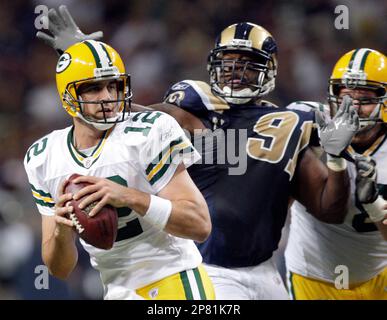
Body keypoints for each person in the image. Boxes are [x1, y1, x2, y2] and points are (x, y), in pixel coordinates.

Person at [37, 8, 357, 299]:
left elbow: (328, 209)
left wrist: (337, 157)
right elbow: (128, 115)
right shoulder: (196, 110)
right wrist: (85, 63)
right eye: (228, 62)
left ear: (269, 71)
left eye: (247, 66)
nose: (234, 73)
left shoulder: (293, 123)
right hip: (208, 268)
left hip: (265, 270)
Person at [24, 39, 215, 300]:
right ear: (67, 96)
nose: (107, 97)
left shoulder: (149, 131)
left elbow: (200, 224)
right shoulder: (43, 156)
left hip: (174, 279)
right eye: (93, 88)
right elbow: (60, 269)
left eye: (113, 86)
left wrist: (129, 196)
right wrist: (61, 231)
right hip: (116, 289)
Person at [285, 48, 387, 300]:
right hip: (315, 277)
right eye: (345, 97)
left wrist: (374, 204)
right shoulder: (307, 123)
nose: (352, 107)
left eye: (364, 98)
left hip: (379, 274)